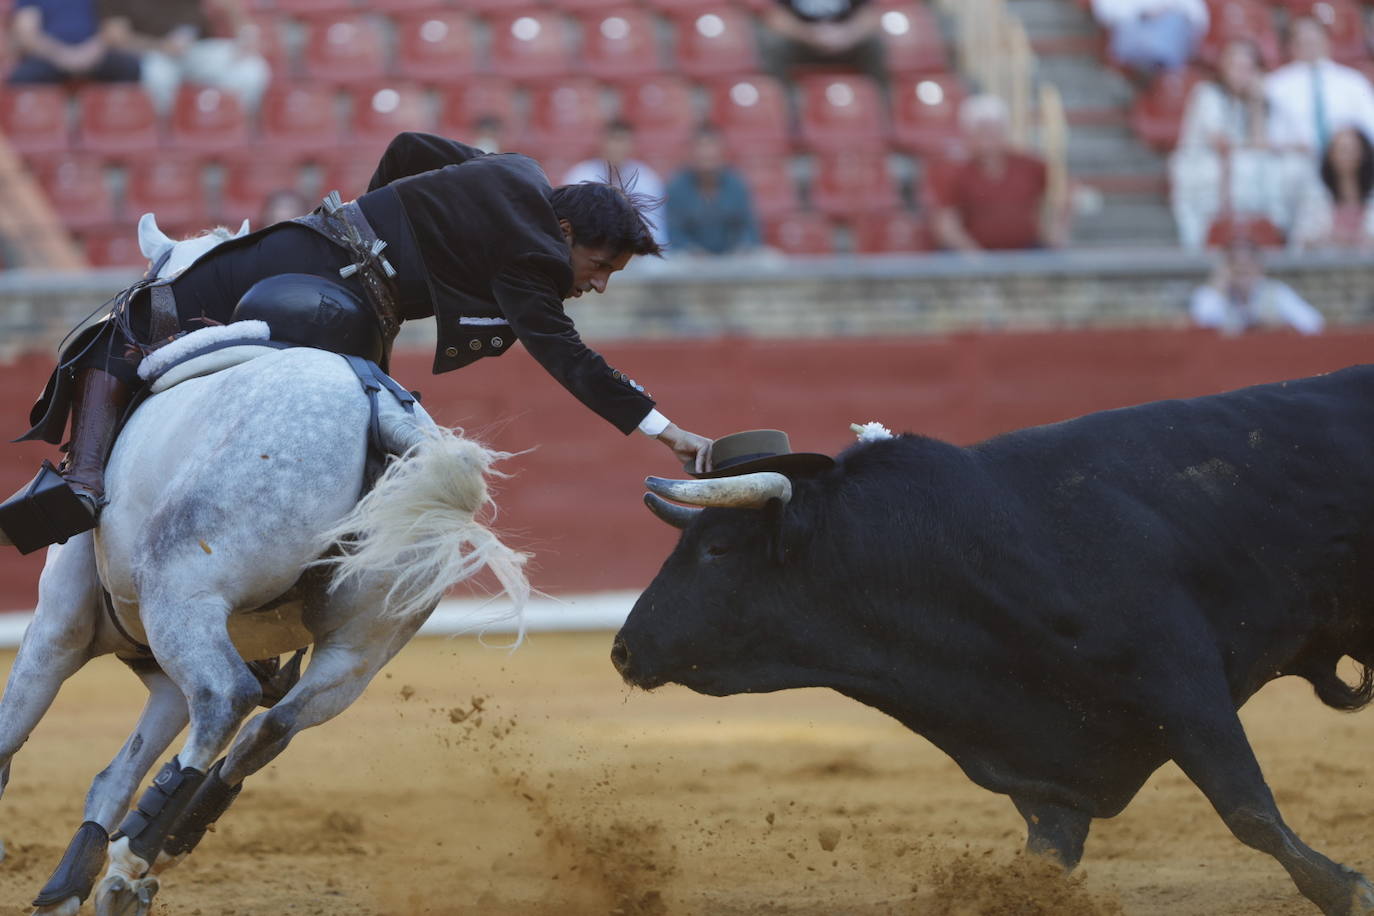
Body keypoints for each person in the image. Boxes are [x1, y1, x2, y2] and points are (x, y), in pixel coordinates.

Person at [8, 132, 712, 548]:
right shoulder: (533, 256)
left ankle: (85, 479)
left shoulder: (519, 171)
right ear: (564, 234)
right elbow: (568, 358)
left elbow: (408, 148)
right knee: (140, 319)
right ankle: (91, 484)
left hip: (317, 258)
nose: (597, 286)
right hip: (353, 308)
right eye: (599, 266)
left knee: (134, 324)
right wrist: (666, 430)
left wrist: (368, 219)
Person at [1169, 39, 1312, 249]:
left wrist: (1256, 103)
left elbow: (1264, 142)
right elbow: (1222, 144)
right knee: (1250, 170)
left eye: (1247, 68)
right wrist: (1272, 146)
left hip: (1247, 167)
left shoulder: (1261, 99)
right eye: (1234, 66)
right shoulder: (1207, 94)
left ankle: (1283, 238)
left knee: (1295, 170)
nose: (1240, 74)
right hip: (1205, 167)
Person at [927, 94, 1068, 252]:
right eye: (982, 130)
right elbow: (946, 223)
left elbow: (1063, 194)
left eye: (994, 130)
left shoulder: (1031, 165)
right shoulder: (956, 172)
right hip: (977, 254)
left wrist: (1056, 230)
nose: (989, 137)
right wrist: (974, 256)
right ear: (970, 133)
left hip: (1028, 250)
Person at [99, 0, 271, 114]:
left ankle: (232, 128)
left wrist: (246, 34)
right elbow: (115, 38)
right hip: (153, 54)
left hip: (197, 48)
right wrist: (161, 46)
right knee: (156, 76)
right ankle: (167, 137)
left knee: (251, 69)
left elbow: (228, 5)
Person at [1265, 16, 1374, 158]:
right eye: (1302, 38)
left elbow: (1369, 128)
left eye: (1314, 37)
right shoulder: (1274, 85)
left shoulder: (1354, 81)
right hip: (1293, 167)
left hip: (1346, 170)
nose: (1309, 42)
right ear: (1290, 45)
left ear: (1327, 40)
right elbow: (1269, 138)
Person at [563, 120, 668, 247]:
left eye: (622, 141)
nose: (617, 147)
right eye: (612, 140)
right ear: (601, 143)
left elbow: (654, 231)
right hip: (589, 249)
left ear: (632, 146)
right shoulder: (579, 176)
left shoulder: (647, 179)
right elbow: (570, 226)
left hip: (637, 254)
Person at [1189, 237, 1323, 335]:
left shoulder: (1276, 292)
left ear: (1259, 268)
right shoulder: (1214, 293)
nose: (1242, 273)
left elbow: (1313, 323)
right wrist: (1219, 284)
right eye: (1236, 268)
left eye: (1247, 267)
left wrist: (1280, 325)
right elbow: (1201, 322)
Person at [665, 126, 762, 257]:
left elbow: (749, 229)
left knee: (769, 260)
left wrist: (740, 250)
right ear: (691, 152)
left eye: (711, 146)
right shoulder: (676, 187)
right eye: (701, 147)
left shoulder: (737, 184)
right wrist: (693, 252)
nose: (706, 153)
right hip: (691, 261)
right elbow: (674, 233)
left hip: (734, 258)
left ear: (722, 152)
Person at [7, 0, 141, 86]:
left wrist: (90, 52)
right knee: (22, 78)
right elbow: (27, 33)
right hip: (50, 56)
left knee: (130, 68)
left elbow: (115, 27)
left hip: (94, 53)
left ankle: (116, 124)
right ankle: (39, 126)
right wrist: (62, 55)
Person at [758, 0, 885, 86]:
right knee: (772, 42)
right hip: (800, 41)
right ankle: (780, 103)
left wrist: (847, 35)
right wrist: (809, 35)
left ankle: (880, 106)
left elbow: (871, 13)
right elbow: (773, 16)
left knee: (874, 43)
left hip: (846, 40)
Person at [1289, 126, 1374, 250]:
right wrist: (1326, 239)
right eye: (1341, 150)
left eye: (1352, 150)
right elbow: (1300, 241)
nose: (1346, 156)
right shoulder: (1315, 200)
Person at [1090, 0, 1208, 79]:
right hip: (1132, 32)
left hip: (1169, 37)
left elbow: (1198, 17)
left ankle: (1163, 71)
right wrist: (1143, 13)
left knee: (1173, 23)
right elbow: (1104, 12)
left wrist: (1165, 12)